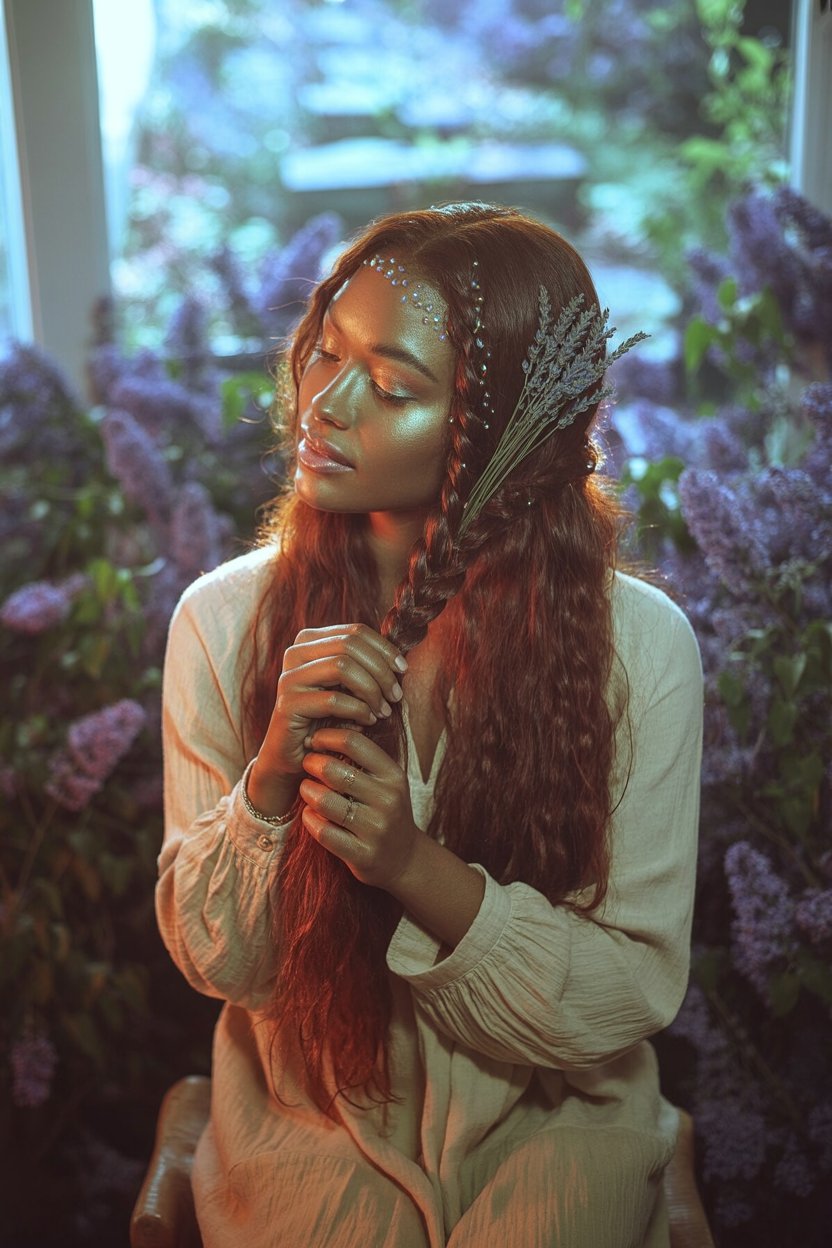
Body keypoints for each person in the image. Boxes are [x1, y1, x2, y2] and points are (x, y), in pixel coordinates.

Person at [157, 202, 703, 1248]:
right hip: (309, 1124)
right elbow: (223, 969)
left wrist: (414, 867)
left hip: (555, 1124)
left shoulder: (639, 650)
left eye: (393, 385)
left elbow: (629, 992)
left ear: (499, 433)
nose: (327, 400)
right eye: (323, 353)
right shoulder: (223, 623)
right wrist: (270, 782)